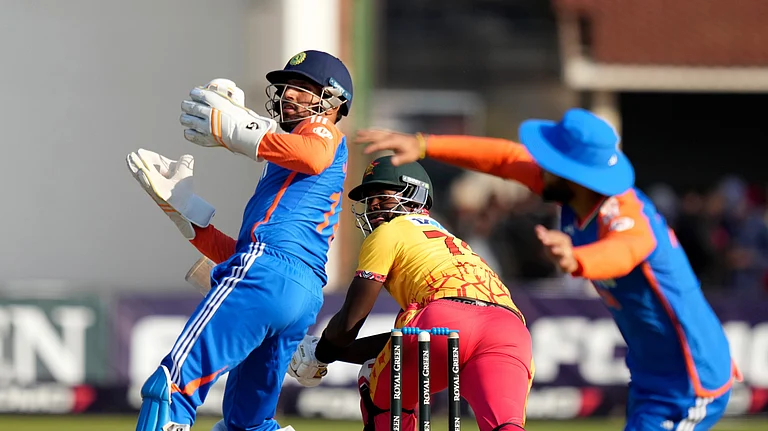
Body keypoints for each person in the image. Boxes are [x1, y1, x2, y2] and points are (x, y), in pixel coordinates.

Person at [353, 108, 741, 431]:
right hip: (650, 371)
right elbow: (505, 159)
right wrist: (423, 144)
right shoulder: (574, 192)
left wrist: (579, 259)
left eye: (550, 161)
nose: (538, 167)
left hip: (690, 375)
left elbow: (627, 250)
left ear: (573, 172)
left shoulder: (626, 214)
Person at [126, 50, 353, 431]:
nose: (288, 94)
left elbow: (313, 156)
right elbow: (250, 256)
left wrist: (240, 131)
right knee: (248, 423)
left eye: (301, 88)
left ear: (332, 100)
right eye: (285, 87)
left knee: (169, 389)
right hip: (301, 295)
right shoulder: (286, 167)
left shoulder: (322, 133)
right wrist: (189, 218)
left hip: (267, 275)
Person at [287, 155, 534, 431]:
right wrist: (327, 352)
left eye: (383, 194)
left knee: (374, 377)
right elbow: (414, 338)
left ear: (415, 194)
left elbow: (349, 323)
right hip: (510, 330)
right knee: (506, 427)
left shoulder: (389, 232)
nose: (373, 205)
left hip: (442, 318)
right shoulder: (455, 241)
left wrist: (320, 352)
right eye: (370, 198)